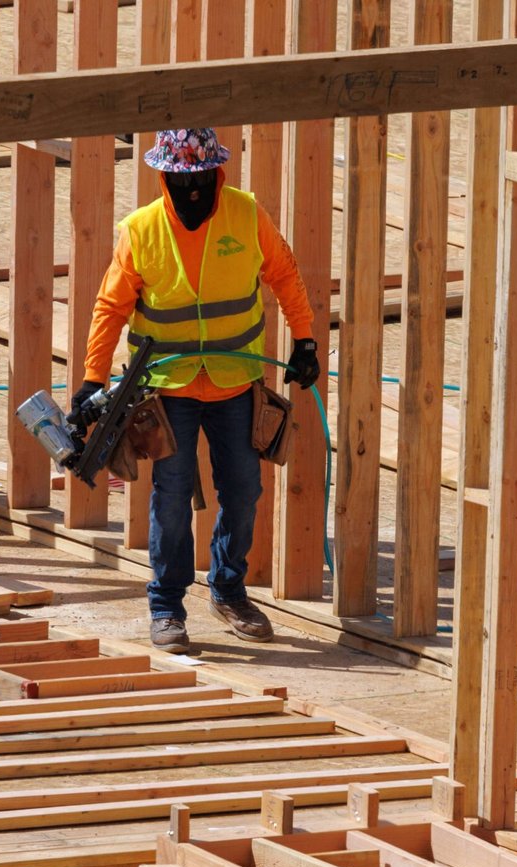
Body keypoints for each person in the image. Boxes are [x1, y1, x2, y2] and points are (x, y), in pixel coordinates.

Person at [79, 127, 321, 654]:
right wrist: (92, 378)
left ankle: (228, 589)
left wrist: (305, 339)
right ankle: (166, 605)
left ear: (218, 174)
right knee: (170, 500)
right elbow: (110, 306)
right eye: (181, 181)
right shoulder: (141, 230)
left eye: (201, 180)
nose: (193, 192)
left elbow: (284, 273)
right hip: (169, 389)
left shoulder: (245, 213)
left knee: (243, 492)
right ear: (165, 177)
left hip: (235, 382)